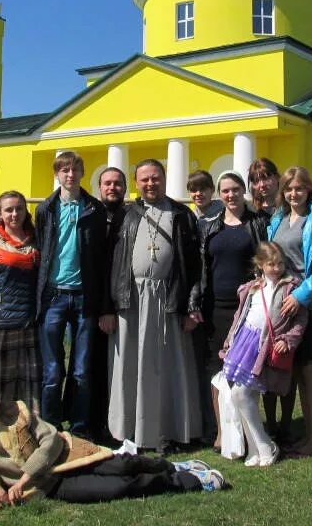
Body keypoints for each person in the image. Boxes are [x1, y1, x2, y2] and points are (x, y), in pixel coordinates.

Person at [0, 372, 224, 510]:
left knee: (124, 464)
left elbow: (51, 440)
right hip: (52, 485)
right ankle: (190, 481)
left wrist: (20, 481)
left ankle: (174, 466)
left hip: (69, 457)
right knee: (119, 488)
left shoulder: (15, 413)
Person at [104, 159, 202, 451]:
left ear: (164, 178)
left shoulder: (182, 214)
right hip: (131, 301)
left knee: (165, 367)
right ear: (137, 183)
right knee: (130, 367)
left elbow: (194, 265)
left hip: (167, 300)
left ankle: (167, 429)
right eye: (144, 179)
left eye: (155, 178)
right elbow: (109, 263)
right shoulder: (125, 215)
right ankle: (128, 430)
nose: (150, 184)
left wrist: (192, 304)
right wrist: (107, 306)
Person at [35, 151, 107, 436]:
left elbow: (101, 257)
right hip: (53, 296)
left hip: (83, 296)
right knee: (52, 372)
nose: (70, 174)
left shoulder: (94, 209)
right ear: (57, 174)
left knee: (81, 370)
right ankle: (50, 427)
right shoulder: (45, 210)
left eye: (75, 169)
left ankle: (79, 427)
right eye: (64, 170)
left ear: (82, 173)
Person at [198, 170, 268, 449]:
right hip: (216, 307)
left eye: (235, 190)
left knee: (246, 371)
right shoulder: (210, 226)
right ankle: (221, 432)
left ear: (243, 192)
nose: (230, 195)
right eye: (225, 191)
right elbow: (202, 268)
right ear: (219, 194)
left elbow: (266, 261)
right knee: (217, 370)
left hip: (248, 309)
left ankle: (249, 429)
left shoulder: (258, 224)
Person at [219, 242, 306, 467]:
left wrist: (288, 340)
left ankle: (264, 445)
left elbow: (300, 320)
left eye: (279, 264)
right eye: (270, 264)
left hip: (263, 347)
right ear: (260, 264)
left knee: (242, 394)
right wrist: (230, 340)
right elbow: (240, 316)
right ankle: (257, 448)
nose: (276, 269)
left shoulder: (291, 288)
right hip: (244, 343)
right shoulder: (251, 288)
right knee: (240, 395)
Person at [273, 166, 312, 458]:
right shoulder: (278, 220)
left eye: (299, 188)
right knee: (297, 373)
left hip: (311, 304)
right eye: (289, 189)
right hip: (286, 305)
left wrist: (300, 296)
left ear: (308, 189)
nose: (294, 193)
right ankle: (308, 435)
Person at [0, 191, 41, 411]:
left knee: (29, 388)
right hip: (1, 326)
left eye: (19, 209)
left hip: (31, 324)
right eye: (9, 209)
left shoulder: (36, 241)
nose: (14, 214)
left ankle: (27, 433)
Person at [88, 166, 127, 442]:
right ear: (100, 187)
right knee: (94, 368)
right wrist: (103, 307)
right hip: (95, 303)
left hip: (124, 304)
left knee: (121, 368)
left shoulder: (130, 216)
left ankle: (119, 421)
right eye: (107, 183)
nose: (112, 188)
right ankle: (95, 422)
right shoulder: (92, 216)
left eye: (117, 183)